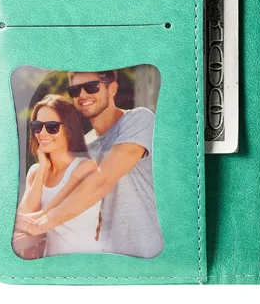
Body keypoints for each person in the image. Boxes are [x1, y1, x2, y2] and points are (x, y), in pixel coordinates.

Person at [16, 71, 163, 258]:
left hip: (147, 254)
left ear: (112, 88)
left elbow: (102, 181)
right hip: (107, 258)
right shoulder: (85, 147)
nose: (83, 95)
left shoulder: (138, 120)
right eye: (75, 90)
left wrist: (40, 223)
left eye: (91, 87)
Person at [13, 94, 101, 258]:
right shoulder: (35, 172)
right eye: (37, 126)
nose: (42, 133)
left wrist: (21, 220)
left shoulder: (86, 168)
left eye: (52, 127)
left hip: (84, 262)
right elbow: (24, 215)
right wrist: (42, 169)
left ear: (69, 130)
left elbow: (37, 217)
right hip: (51, 264)